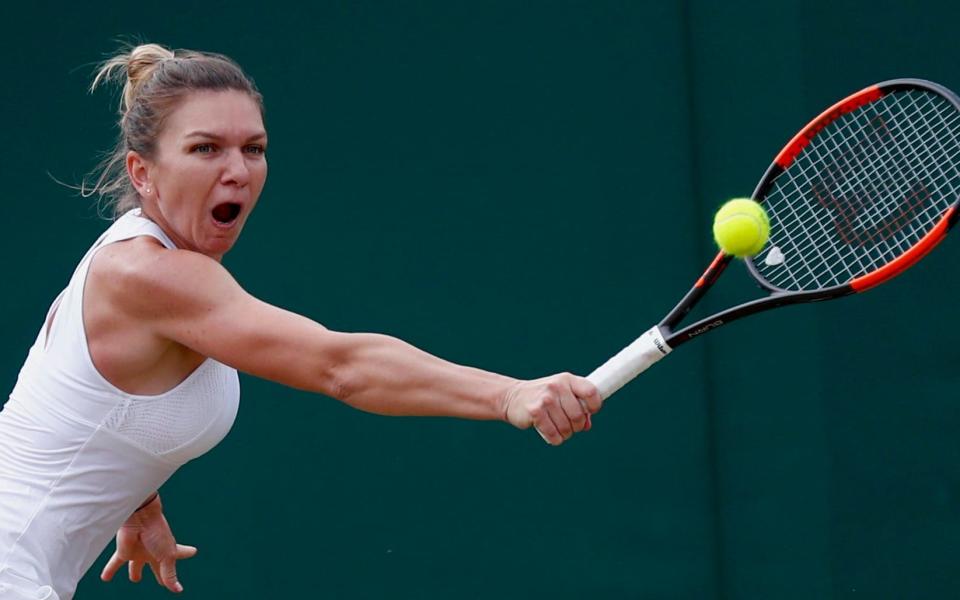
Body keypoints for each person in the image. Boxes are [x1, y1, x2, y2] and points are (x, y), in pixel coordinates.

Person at [0, 43, 602, 600]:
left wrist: (138, 502)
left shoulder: (145, 262)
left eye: (253, 148)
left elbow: (82, 405)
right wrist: (510, 395)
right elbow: (339, 365)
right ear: (142, 173)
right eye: (206, 148)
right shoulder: (153, 276)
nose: (237, 169)